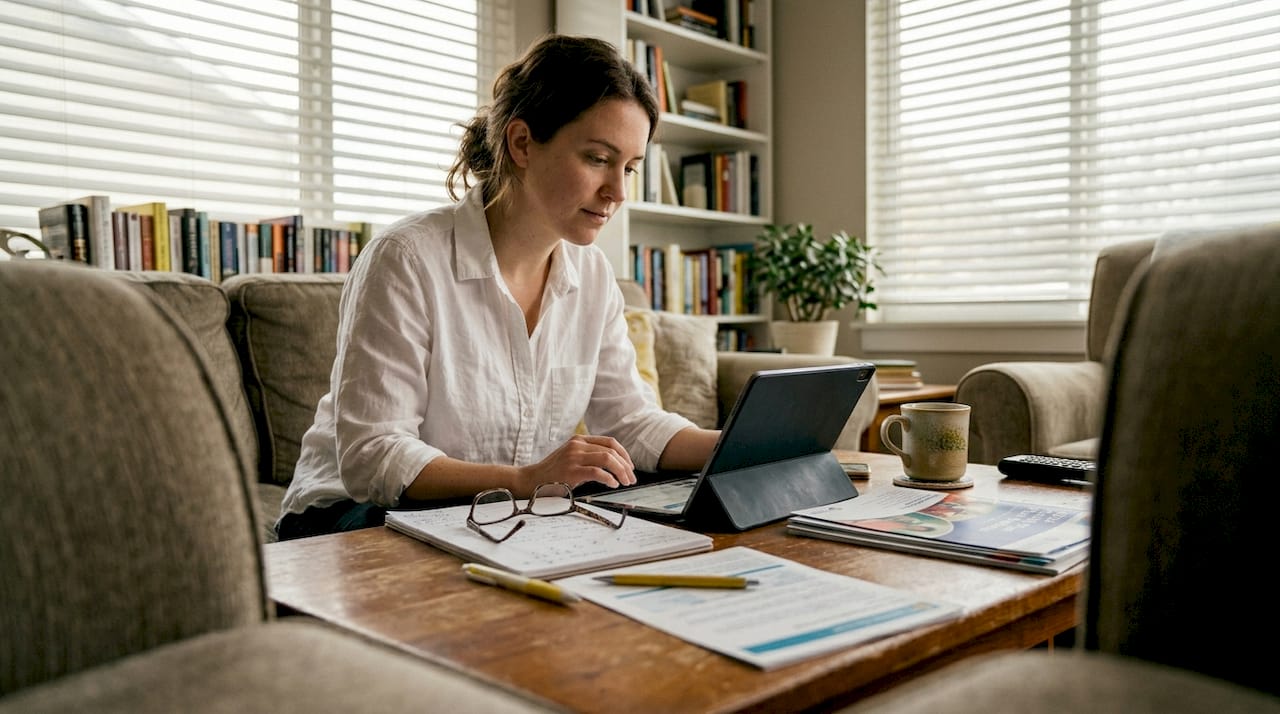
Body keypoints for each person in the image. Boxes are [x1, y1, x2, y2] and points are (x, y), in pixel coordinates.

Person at [276, 34, 721, 541]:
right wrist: (527, 481)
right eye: (598, 159)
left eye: (629, 168)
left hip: (500, 510)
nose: (617, 192)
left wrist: (739, 446)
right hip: (349, 516)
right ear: (522, 143)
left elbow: (630, 420)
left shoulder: (592, 275)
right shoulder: (405, 259)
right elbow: (372, 456)